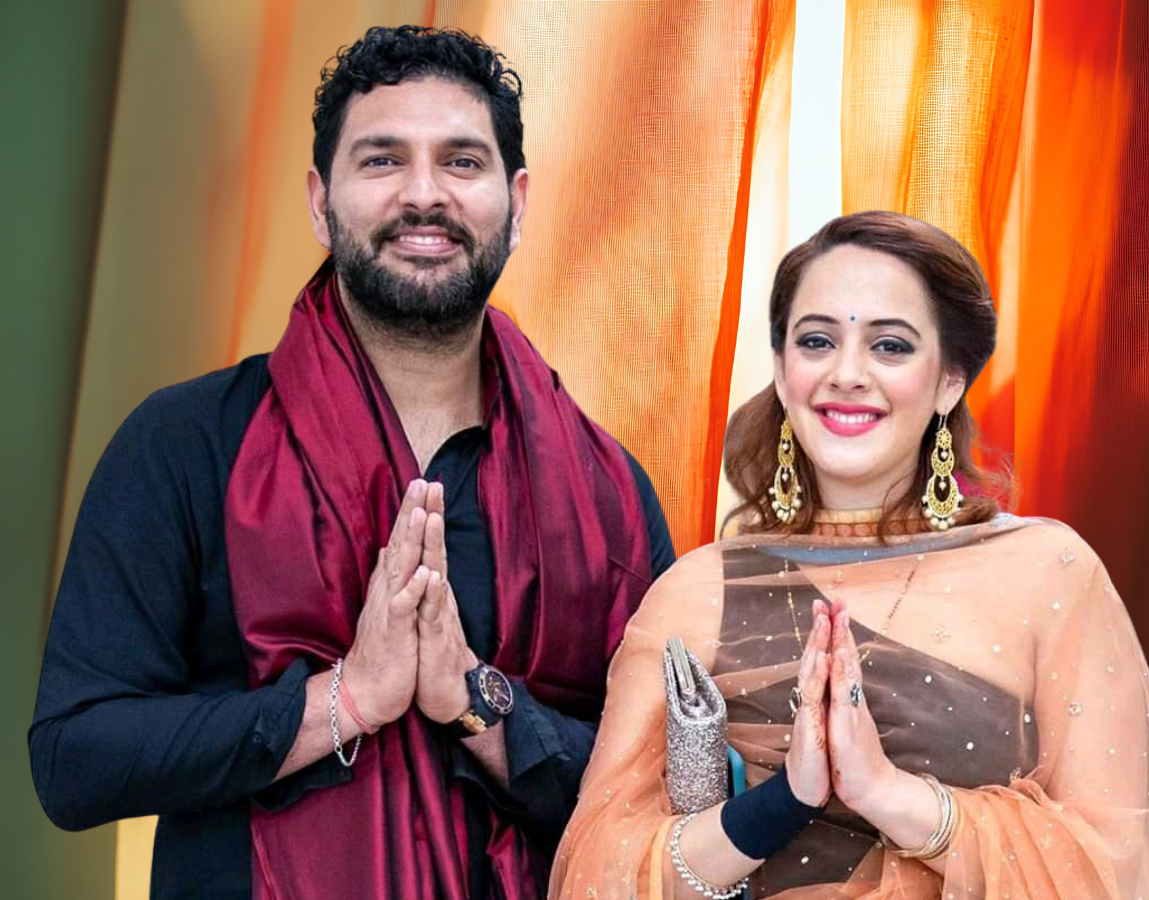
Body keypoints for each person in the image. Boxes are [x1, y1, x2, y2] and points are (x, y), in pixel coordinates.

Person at [29, 26, 675, 900]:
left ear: (517, 202)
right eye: (381, 161)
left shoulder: (606, 494)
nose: (424, 194)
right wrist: (343, 701)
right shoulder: (185, 443)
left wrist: (477, 705)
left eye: (461, 162)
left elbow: (662, 800)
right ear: (318, 201)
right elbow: (74, 760)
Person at [549, 211, 1149, 900]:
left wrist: (888, 794)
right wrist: (784, 801)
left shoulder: (1048, 572)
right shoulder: (696, 590)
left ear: (950, 380)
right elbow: (598, 877)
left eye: (889, 346)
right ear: (782, 371)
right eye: (817, 341)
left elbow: (1122, 869)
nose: (847, 373)